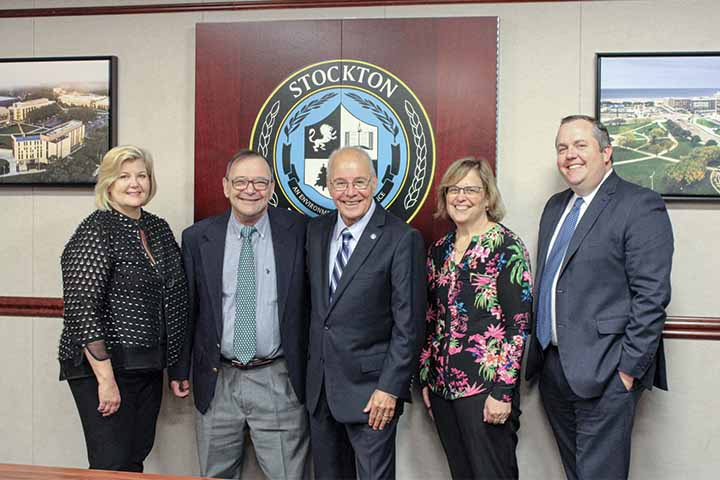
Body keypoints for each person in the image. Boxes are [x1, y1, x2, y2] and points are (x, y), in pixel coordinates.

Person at [525, 115, 674, 480]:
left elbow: (651, 297)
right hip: (554, 368)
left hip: (607, 371)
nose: (569, 155)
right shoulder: (555, 207)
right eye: (562, 148)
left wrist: (626, 372)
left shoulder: (639, 205)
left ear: (607, 153)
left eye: (580, 145)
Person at [168, 149, 309, 479]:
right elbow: (187, 308)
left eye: (260, 182)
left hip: (278, 378)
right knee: (216, 474)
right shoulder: (197, 237)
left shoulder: (299, 232)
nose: (250, 190)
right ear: (225, 187)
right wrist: (179, 368)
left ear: (272, 188)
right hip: (217, 379)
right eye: (241, 181)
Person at [59, 145, 189, 472]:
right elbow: (81, 309)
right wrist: (105, 379)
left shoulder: (157, 227)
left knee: (134, 458)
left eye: (142, 175)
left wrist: (175, 367)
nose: (135, 183)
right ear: (108, 183)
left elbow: (175, 297)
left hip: (147, 364)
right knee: (110, 463)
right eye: (124, 176)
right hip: (104, 368)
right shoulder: (97, 229)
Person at [305, 146, 426, 480]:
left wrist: (390, 388)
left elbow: (409, 325)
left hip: (372, 394)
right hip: (321, 391)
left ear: (373, 183)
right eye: (340, 183)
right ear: (328, 187)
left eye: (359, 181)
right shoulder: (316, 232)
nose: (350, 192)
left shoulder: (402, 238)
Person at [418, 157, 532, 479]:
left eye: (471, 189)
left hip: (485, 391)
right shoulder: (439, 250)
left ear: (487, 196)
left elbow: (518, 326)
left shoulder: (506, 247)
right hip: (442, 389)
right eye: (454, 189)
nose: (461, 197)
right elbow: (432, 317)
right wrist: (427, 374)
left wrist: (502, 392)